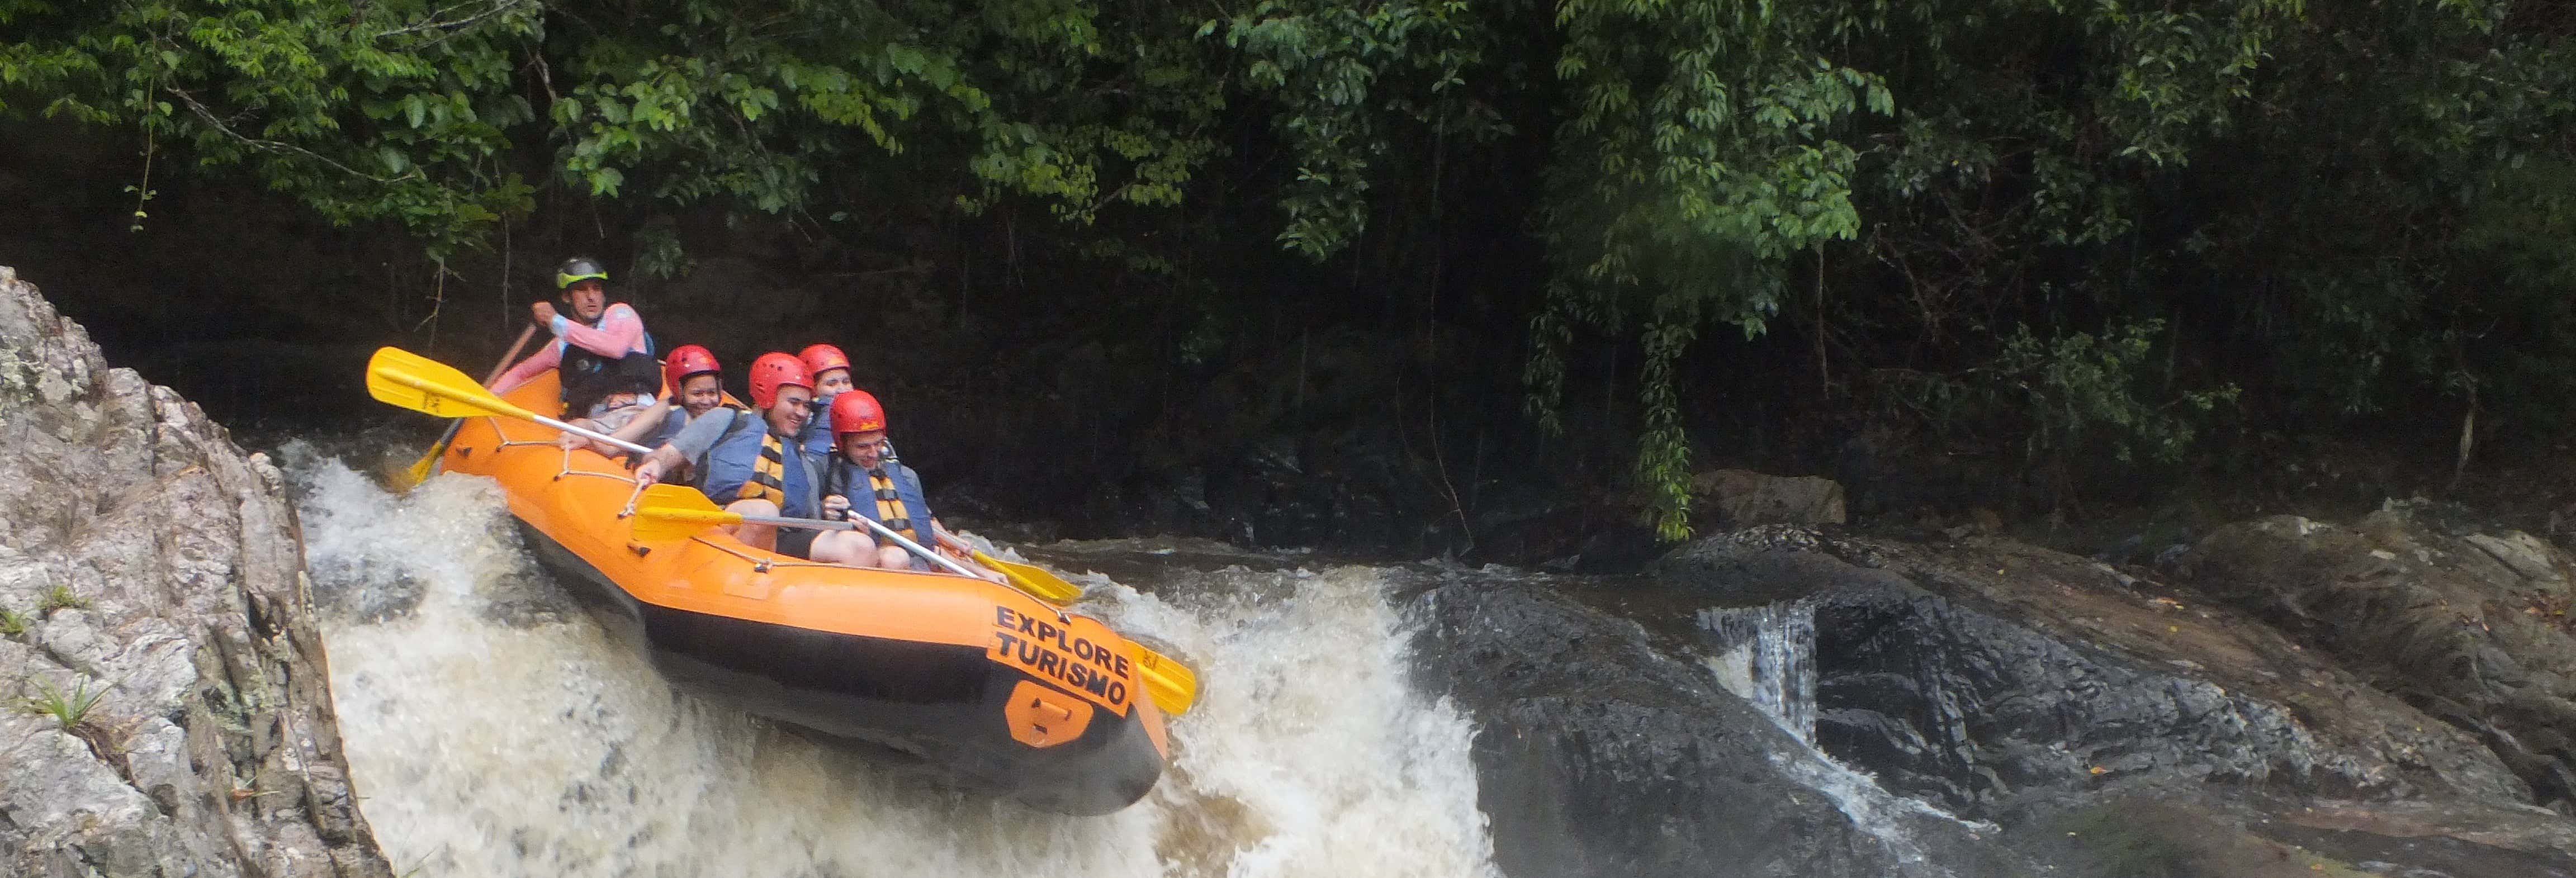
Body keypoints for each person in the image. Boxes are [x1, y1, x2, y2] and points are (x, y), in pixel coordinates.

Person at [631, 353, 838, 558]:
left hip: (779, 537)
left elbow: (813, 520)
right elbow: (669, 454)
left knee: (855, 545)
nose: (801, 413)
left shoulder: (801, 459)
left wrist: (830, 513)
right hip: (716, 519)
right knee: (763, 512)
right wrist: (655, 466)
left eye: (806, 406)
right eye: (794, 403)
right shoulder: (726, 419)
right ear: (768, 397)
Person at [816, 390, 991, 577]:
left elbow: (928, 539)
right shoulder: (832, 474)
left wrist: (976, 569)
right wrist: (830, 514)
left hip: (920, 559)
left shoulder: (904, 476)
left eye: (878, 444)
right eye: (863, 447)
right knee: (895, 558)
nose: (874, 453)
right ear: (842, 443)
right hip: (879, 561)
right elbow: (820, 521)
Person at [494, 257, 655, 418]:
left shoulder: (621, 313)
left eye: (596, 288)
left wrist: (555, 321)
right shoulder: (562, 345)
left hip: (635, 410)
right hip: (594, 423)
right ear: (567, 297)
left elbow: (616, 349)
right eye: (582, 289)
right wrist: (485, 398)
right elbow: (521, 373)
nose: (591, 297)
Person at [575, 344, 729, 457]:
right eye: (697, 394)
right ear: (679, 391)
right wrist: (588, 441)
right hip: (627, 430)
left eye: (712, 393)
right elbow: (612, 447)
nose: (707, 401)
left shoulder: (723, 417)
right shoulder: (663, 410)